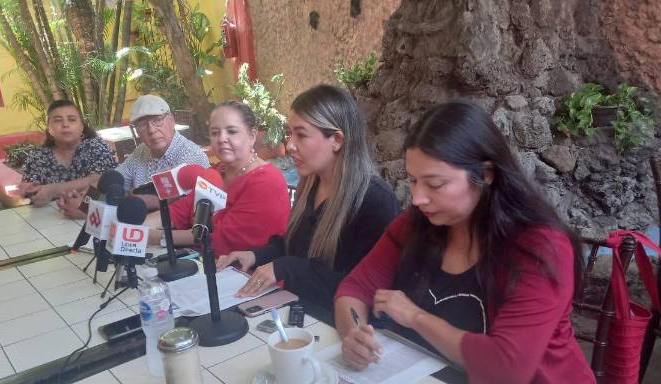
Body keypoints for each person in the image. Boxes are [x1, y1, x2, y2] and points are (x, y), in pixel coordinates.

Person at [334, 101, 594, 383]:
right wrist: (355, 334)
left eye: (435, 184)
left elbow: (506, 367)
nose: (418, 198)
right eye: (413, 181)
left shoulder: (539, 248)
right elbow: (354, 289)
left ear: (484, 175)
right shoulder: (415, 225)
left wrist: (415, 317)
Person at [215, 85, 400, 308]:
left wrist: (285, 268)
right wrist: (254, 255)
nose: (290, 145)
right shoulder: (312, 183)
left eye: (301, 135)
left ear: (337, 140)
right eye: (290, 133)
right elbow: (293, 244)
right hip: (297, 311)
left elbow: (363, 287)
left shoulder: (374, 201)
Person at [144, 100, 290, 257]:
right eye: (215, 133)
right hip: (202, 263)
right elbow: (179, 211)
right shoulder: (216, 172)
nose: (221, 139)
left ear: (252, 136)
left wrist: (153, 237)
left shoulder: (266, 181)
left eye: (232, 131)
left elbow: (219, 238)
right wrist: (137, 228)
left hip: (246, 272)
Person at [57, 94, 209, 217]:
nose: (151, 130)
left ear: (171, 120)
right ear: (136, 131)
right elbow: (114, 181)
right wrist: (84, 197)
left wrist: (88, 210)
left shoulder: (191, 156)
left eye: (157, 121)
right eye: (143, 125)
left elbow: (162, 202)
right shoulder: (142, 151)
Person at [18, 100, 117, 207]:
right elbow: (31, 192)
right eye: (57, 120)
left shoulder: (96, 146)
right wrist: (31, 191)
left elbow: (99, 180)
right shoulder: (38, 156)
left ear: (82, 127)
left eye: (72, 120)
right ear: (49, 129)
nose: (65, 124)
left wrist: (53, 190)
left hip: (91, 213)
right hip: (49, 218)